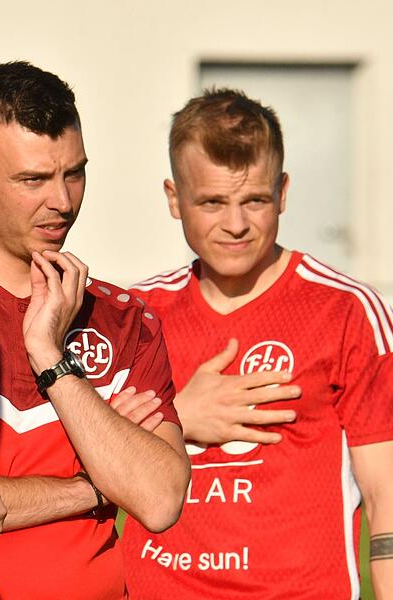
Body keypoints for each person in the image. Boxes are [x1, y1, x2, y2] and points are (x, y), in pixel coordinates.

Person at [0, 61, 189, 599]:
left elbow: (159, 497)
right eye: (33, 179)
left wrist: (49, 356)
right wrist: (93, 487)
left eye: (73, 172)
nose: (63, 201)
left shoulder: (123, 317)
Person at [121, 88, 393, 599]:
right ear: (174, 198)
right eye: (212, 202)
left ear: (283, 192)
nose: (237, 224)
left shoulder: (347, 311)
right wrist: (178, 416)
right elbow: (77, 465)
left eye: (255, 200)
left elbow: (388, 500)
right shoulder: (135, 317)